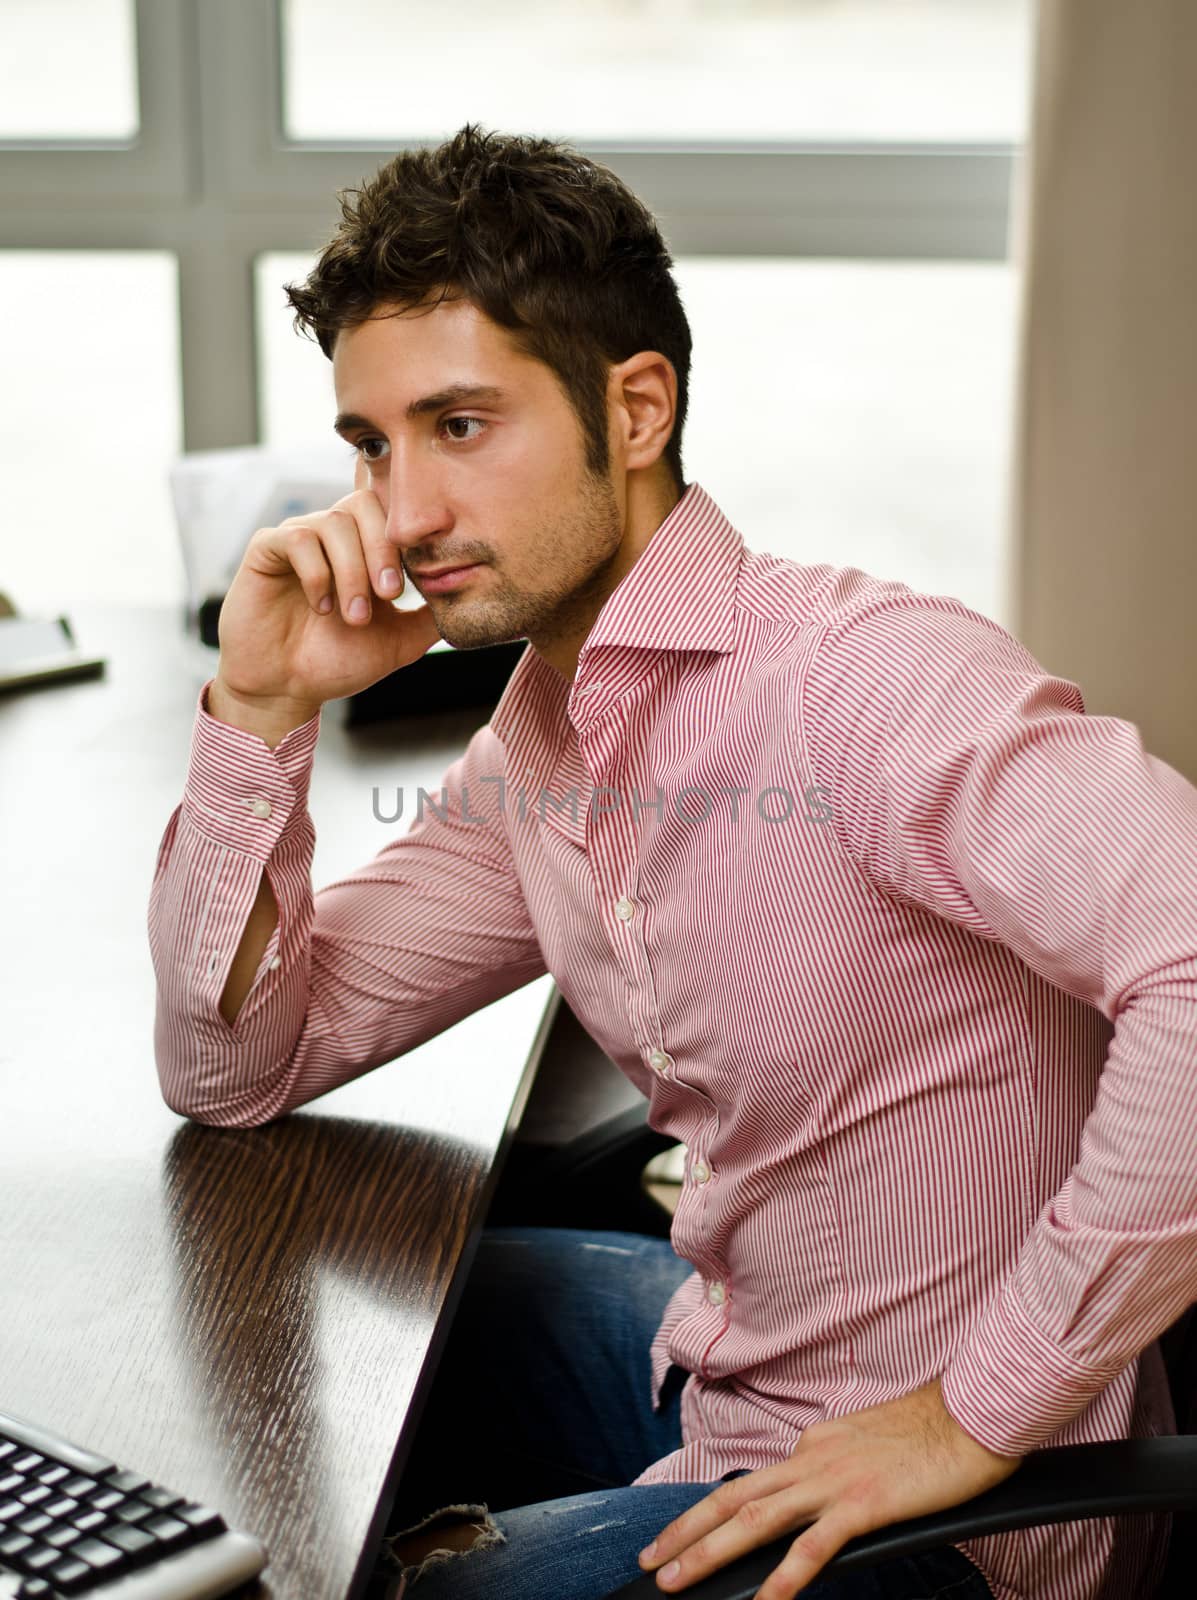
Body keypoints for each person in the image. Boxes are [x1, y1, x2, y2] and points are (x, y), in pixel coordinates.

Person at [147, 123, 1197, 1600]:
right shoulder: (540, 754)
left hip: (959, 1511)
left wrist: (976, 1410)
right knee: (347, 1306)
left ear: (635, 409)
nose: (404, 511)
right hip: (735, 1374)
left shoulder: (864, 679)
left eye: (460, 427)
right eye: (374, 446)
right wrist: (260, 710)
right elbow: (237, 1069)